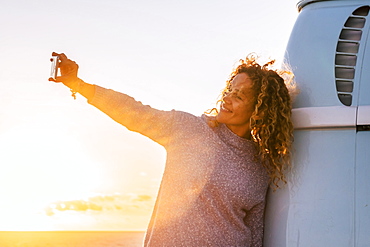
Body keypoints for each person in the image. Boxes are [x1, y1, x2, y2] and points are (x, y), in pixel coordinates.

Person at [50, 52, 294, 247]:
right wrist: (79, 85)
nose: (227, 98)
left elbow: (254, 235)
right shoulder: (190, 130)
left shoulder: (260, 167)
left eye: (239, 96)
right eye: (229, 90)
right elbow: (134, 112)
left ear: (259, 110)